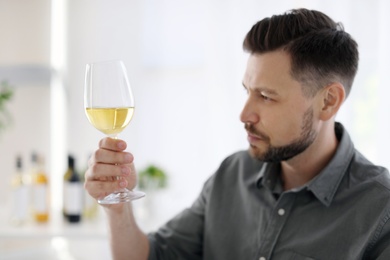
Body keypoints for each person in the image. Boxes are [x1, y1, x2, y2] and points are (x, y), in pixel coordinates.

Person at [84, 8, 390, 260]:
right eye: (247, 91)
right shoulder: (231, 175)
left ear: (328, 101)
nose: (244, 115)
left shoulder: (380, 210)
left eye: (267, 96)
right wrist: (117, 205)